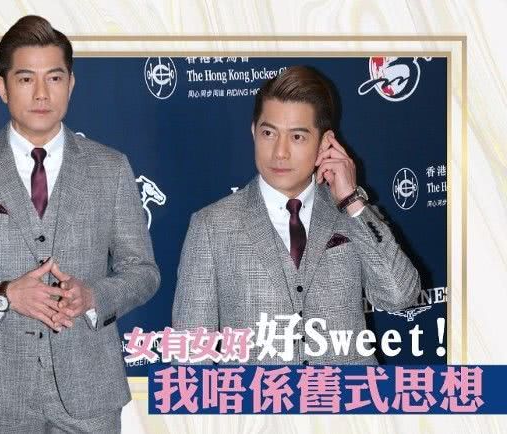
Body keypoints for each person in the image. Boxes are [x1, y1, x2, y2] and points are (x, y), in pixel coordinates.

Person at [0, 15, 159, 433]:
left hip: (91, 394)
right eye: (26, 79)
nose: (42, 93)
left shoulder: (111, 169)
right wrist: (3, 295)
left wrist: (92, 295)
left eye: (54, 78)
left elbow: (144, 273)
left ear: (71, 84)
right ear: (1, 86)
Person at [172, 66, 420, 365]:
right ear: (253, 132)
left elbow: (399, 296)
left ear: (325, 143)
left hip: (348, 395)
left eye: (298, 137)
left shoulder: (353, 215)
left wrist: (351, 201)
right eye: (268, 133)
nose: (280, 152)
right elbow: (190, 356)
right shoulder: (212, 226)